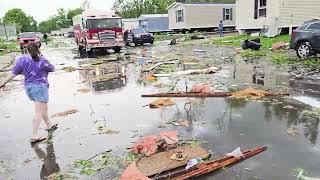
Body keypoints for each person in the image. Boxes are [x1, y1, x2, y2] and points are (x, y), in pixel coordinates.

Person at [0, 42, 57, 144]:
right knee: (38, 111)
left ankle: (49, 125)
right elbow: (52, 68)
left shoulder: (22, 60)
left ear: (26, 50)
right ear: (38, 49)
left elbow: (13, 73)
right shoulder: (42, 61)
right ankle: (34, 135)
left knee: (43, 107)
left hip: (29, 88)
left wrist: (3, 83)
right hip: (40, 88)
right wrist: (42, 56)